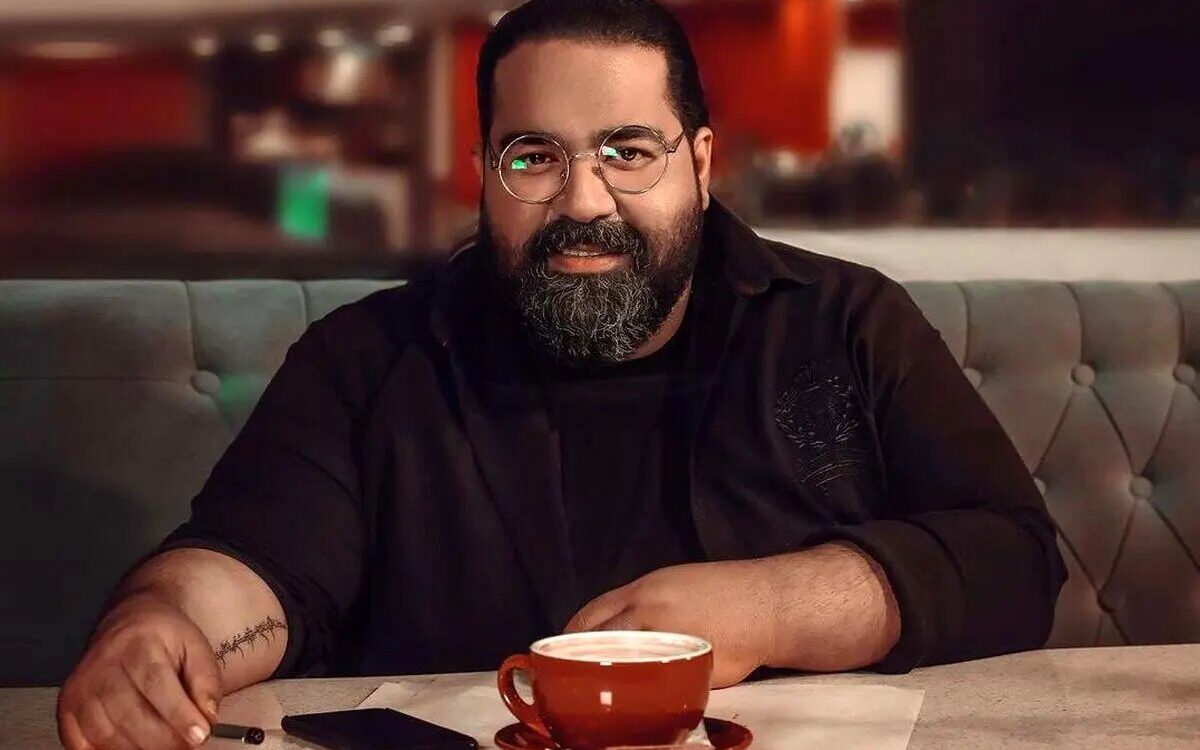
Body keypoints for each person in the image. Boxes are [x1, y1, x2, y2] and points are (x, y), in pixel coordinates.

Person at [57, 1, 1066, 748]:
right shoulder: (367, 362)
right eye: (534, 157)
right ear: (484, 172)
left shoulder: (846, 322)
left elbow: (1015, 559)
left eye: (628, 151)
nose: (583, 200)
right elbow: (252, 565)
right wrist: (159, 627)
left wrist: (771, 606)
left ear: (701, 163)